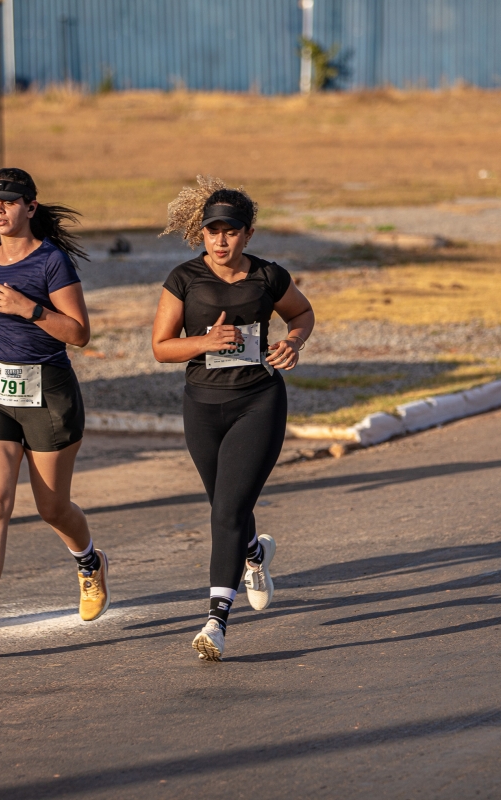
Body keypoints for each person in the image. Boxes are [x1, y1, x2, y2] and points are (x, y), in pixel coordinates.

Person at [0, 168, 108, 658]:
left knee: (52, 508)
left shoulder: (51, 261)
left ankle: (90, 562)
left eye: (8, 202)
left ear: (30, 207)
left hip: (48, 391)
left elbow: (79, 333)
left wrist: (28, 309)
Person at [153, 176, 315, 662]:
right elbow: (161, 348)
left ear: (247, 234)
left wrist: (293, 342)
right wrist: (204, 342)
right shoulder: (183, 279)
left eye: (230, 231)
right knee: (226, 505)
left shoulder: (268, 276)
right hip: (202, 405)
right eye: (212, 231)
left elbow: (302, 314)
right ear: (201, 233)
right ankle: (254, 555)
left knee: (226, 511)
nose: (220, 241)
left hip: (258, 402)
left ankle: (216, 622)